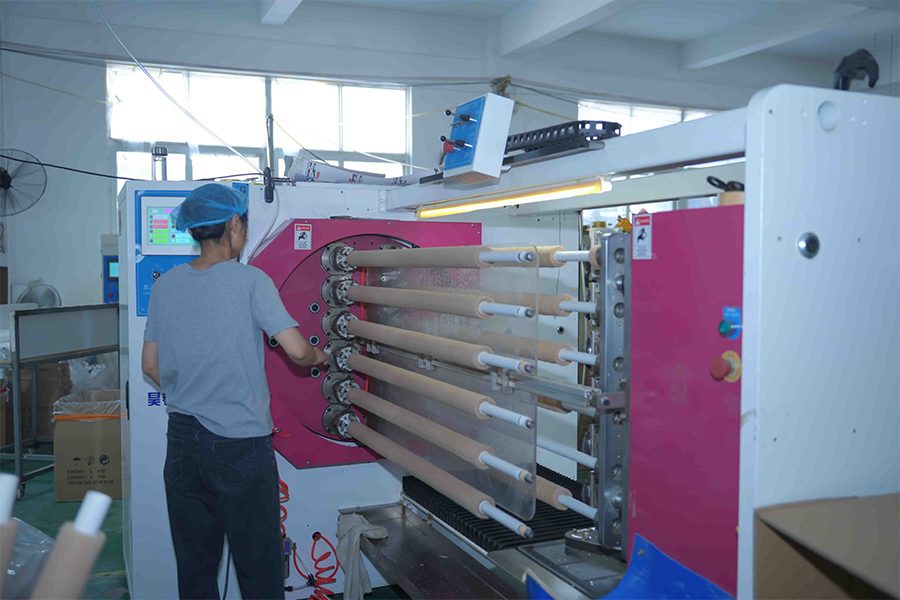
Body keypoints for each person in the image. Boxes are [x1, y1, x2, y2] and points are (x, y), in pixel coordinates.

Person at [141, 183, 326, 600]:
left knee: (196, 568)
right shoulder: (251, 280)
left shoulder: (166, 285)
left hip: (182, 442)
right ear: (234, 224)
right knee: (258, 570)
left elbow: (149, 365)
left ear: (194, 230)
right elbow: (298, 352)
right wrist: (321, 356)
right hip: (240, 444)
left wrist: (192, 391)